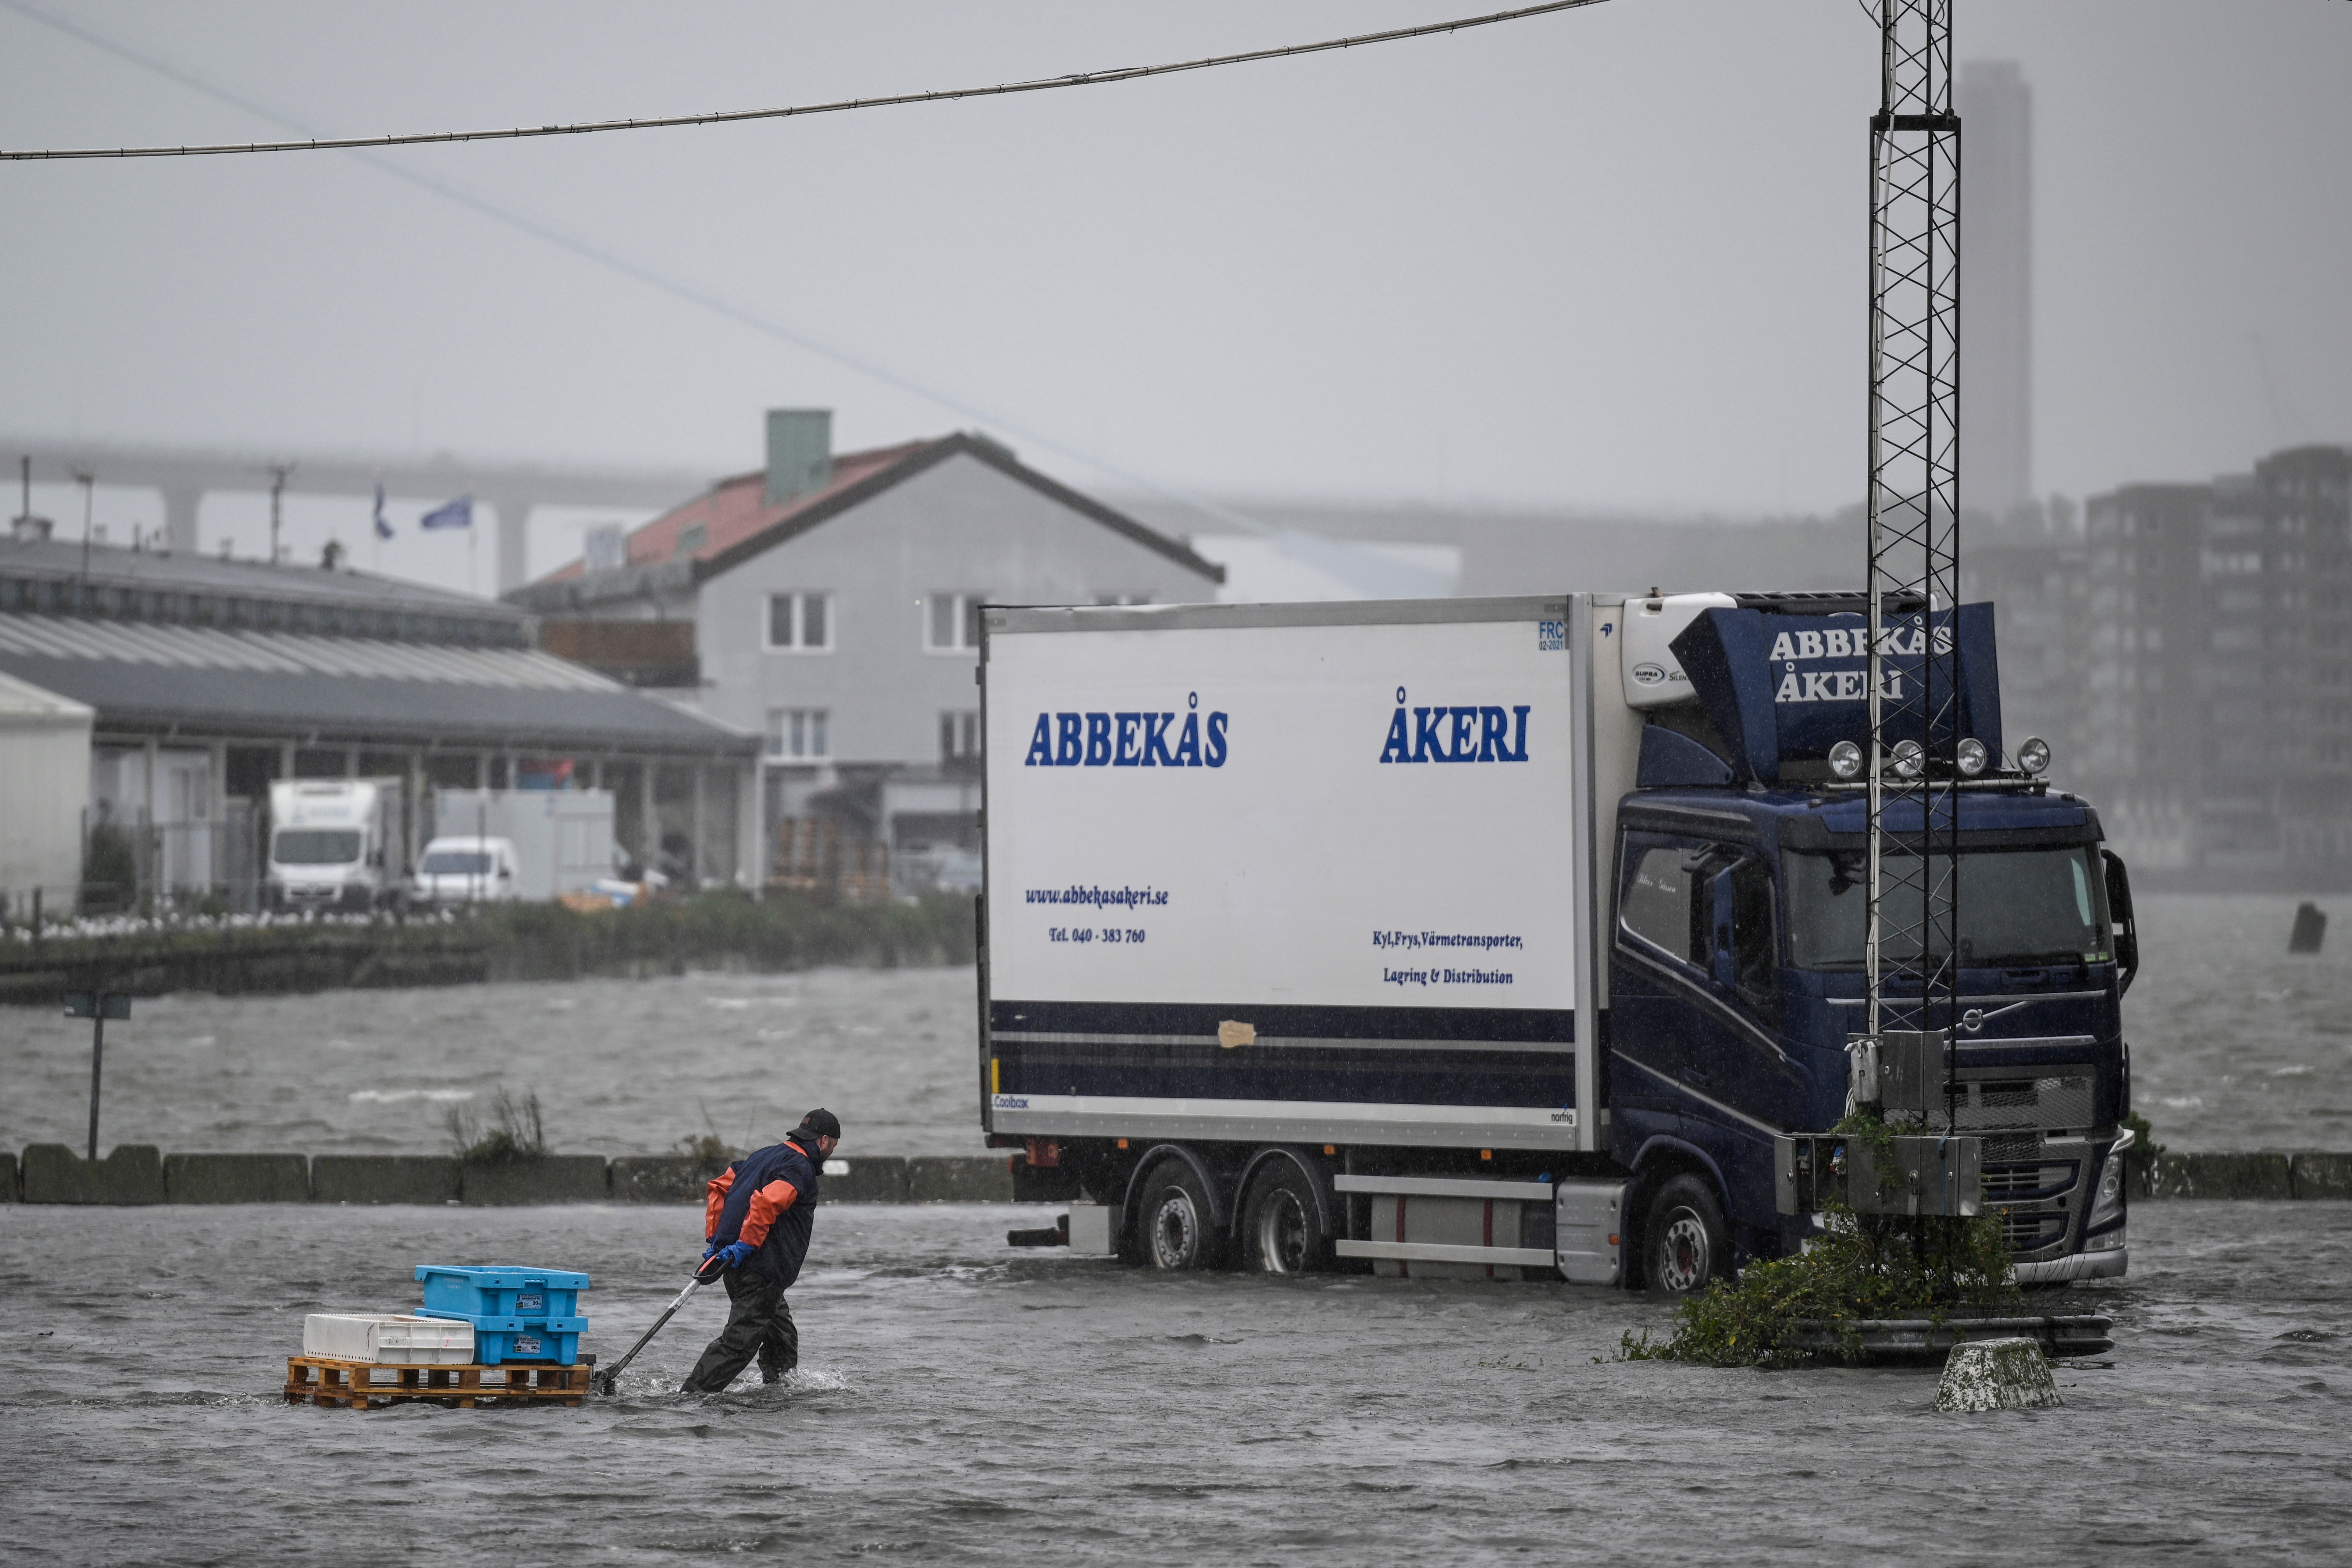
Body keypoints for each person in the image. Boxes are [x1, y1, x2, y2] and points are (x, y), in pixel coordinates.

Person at [681, 1108, 840, 1392]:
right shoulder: (799, 1167)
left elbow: (719, 1188)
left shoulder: (761, 1156)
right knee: (739, 1344)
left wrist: (716, 1241)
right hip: (761, 1270)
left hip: (740, 1267)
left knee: (782, 1340)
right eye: (834, 1147)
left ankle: (777, 1393)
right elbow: (768, 1203)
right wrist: (744, 1245)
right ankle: (691, 1397)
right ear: (825, 1141)